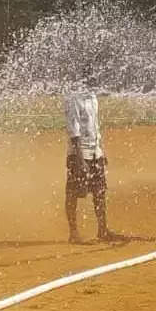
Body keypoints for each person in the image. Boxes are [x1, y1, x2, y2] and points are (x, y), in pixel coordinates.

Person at [64, 85, 124, 244]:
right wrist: (80, 159)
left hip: (95, 151)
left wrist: (101, 151)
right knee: (73, 193)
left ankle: (102, 230)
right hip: (79, 153)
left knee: (100, 192)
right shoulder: (74, 98)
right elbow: (73, 129)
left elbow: (95, 126)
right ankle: (73, 233)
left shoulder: (92, 97)